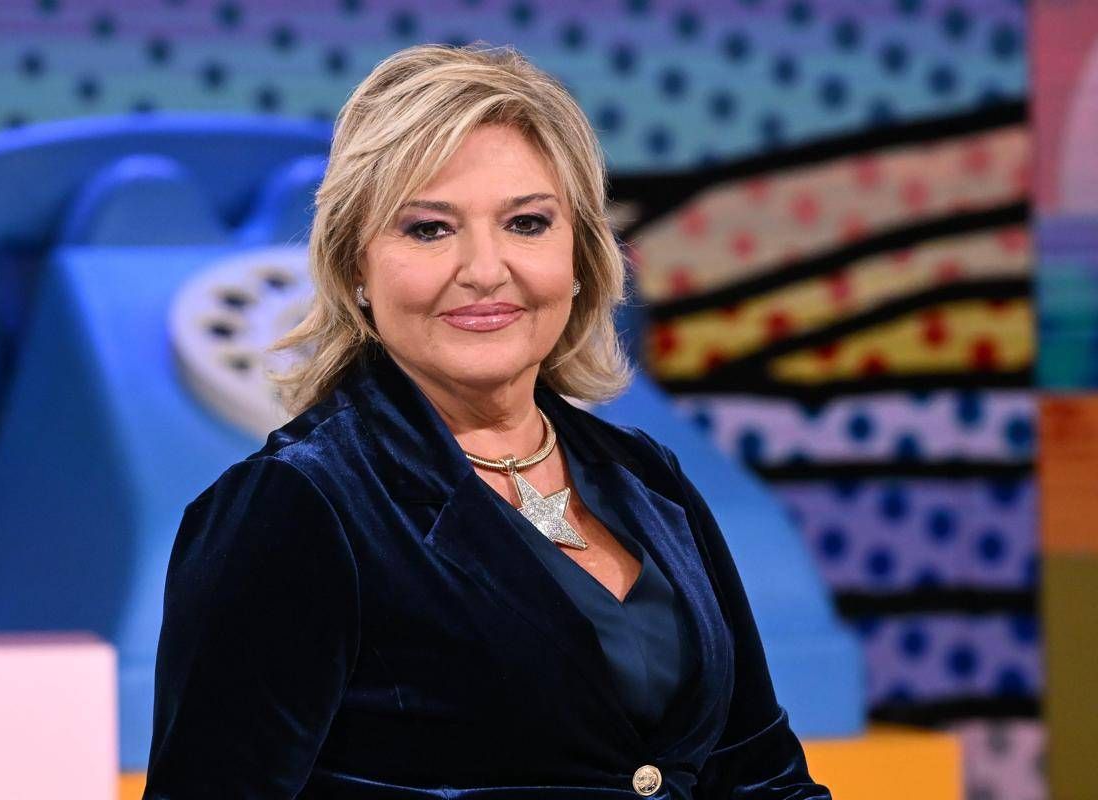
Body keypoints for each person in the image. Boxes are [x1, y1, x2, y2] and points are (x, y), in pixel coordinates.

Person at [143, 42, 832, 799]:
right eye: (429, 229)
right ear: (354, 267)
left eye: (528, 223)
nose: (483, 270)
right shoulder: (293, 505)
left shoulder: (650, 479)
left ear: (580, 258)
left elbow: (761, 779)